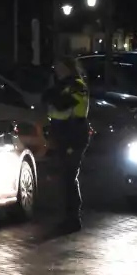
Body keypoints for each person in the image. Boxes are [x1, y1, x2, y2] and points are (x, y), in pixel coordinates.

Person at [41, 55, 91, 232]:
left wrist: (54, 96)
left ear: (69, 68)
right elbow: (51, 104)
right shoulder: (61, 86)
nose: (58, 72)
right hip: (62, 136)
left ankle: (73, 218)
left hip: (74, 136)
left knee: (69, 177)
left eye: (61, 68)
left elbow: (64, 107)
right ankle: (68, 216)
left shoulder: (77, 86)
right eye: (56, 69)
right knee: (65, 178)